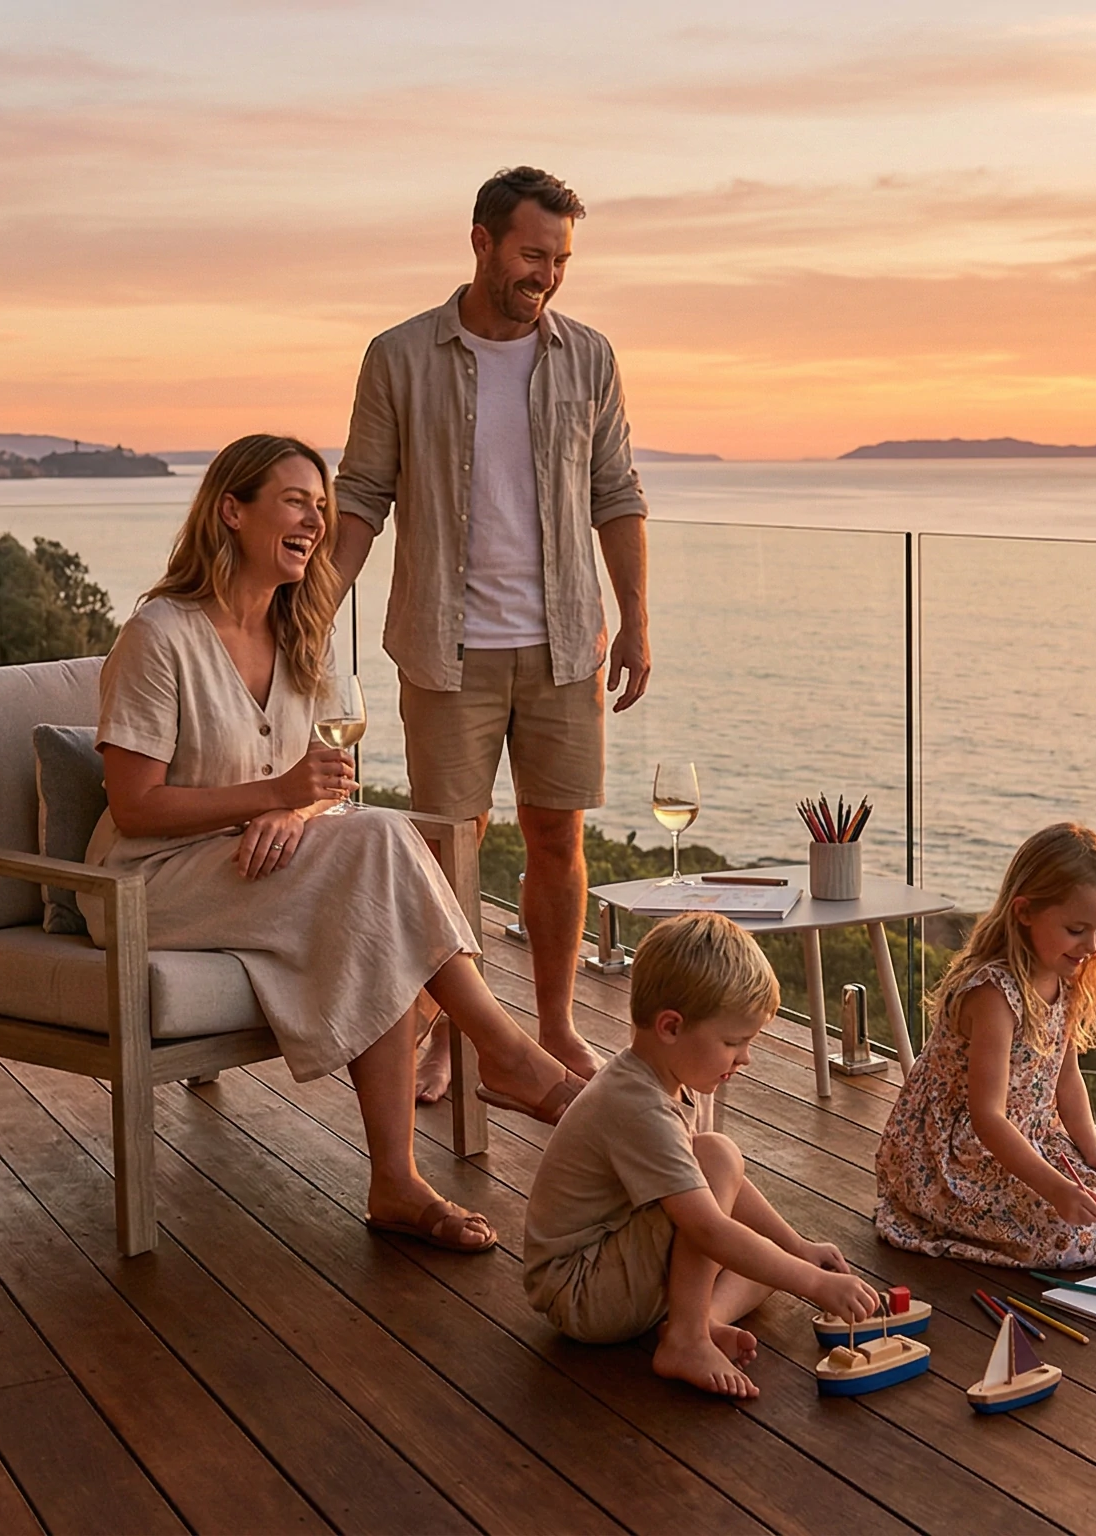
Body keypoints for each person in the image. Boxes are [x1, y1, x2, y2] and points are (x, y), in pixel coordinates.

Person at [85, 433, 583, 1254]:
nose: (316, 521)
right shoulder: (160, 635)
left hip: (252, 863)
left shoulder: (297, 635)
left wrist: (296, 813)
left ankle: (398, 1180)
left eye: (321, 506)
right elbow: (134, 810)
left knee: (372, 890)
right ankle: (507, 1056)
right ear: (231, 511)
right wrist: (277, 797)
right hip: (147, 885)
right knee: (382, 844)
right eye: (294, 502)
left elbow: (312, 791)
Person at [331, 165, 650, 1102]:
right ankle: (454, 1034)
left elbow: (617, 494)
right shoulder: (398, 356)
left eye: (559, 259)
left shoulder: (589, 357)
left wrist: (635, 619)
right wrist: (312, 613)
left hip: (565, 646)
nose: (544, 274)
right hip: (446, 646)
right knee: (446, 852)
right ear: (481, 240)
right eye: (530, 254)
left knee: (559, 840)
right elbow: (360, 497)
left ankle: (550, 1029)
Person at [521, 913, 878, 1400]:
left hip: (614, 1276)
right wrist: (815, 1284)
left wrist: (798, 1250)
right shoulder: (638, 1106)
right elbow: (707, 1224)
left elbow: (720, 1202)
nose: (744, 1058)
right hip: (581, 1290)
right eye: (733, 1042)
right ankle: (686, 1339)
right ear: (671, 1026)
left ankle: (698, 1324)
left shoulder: (668, 1077)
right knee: (719, 1162)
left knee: (761, 1257)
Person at [873, 823, 1096, 1268]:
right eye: (1076, 929)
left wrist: (1093, 1151)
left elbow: (1067, 1081)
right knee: (1072, 1234)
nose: (1091, 945)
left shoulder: (1065, 980)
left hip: (1028, 1139)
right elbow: (987, 1117)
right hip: (958, 1157)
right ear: (1024, 912)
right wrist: (1054, 1188)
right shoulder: (994, 993)